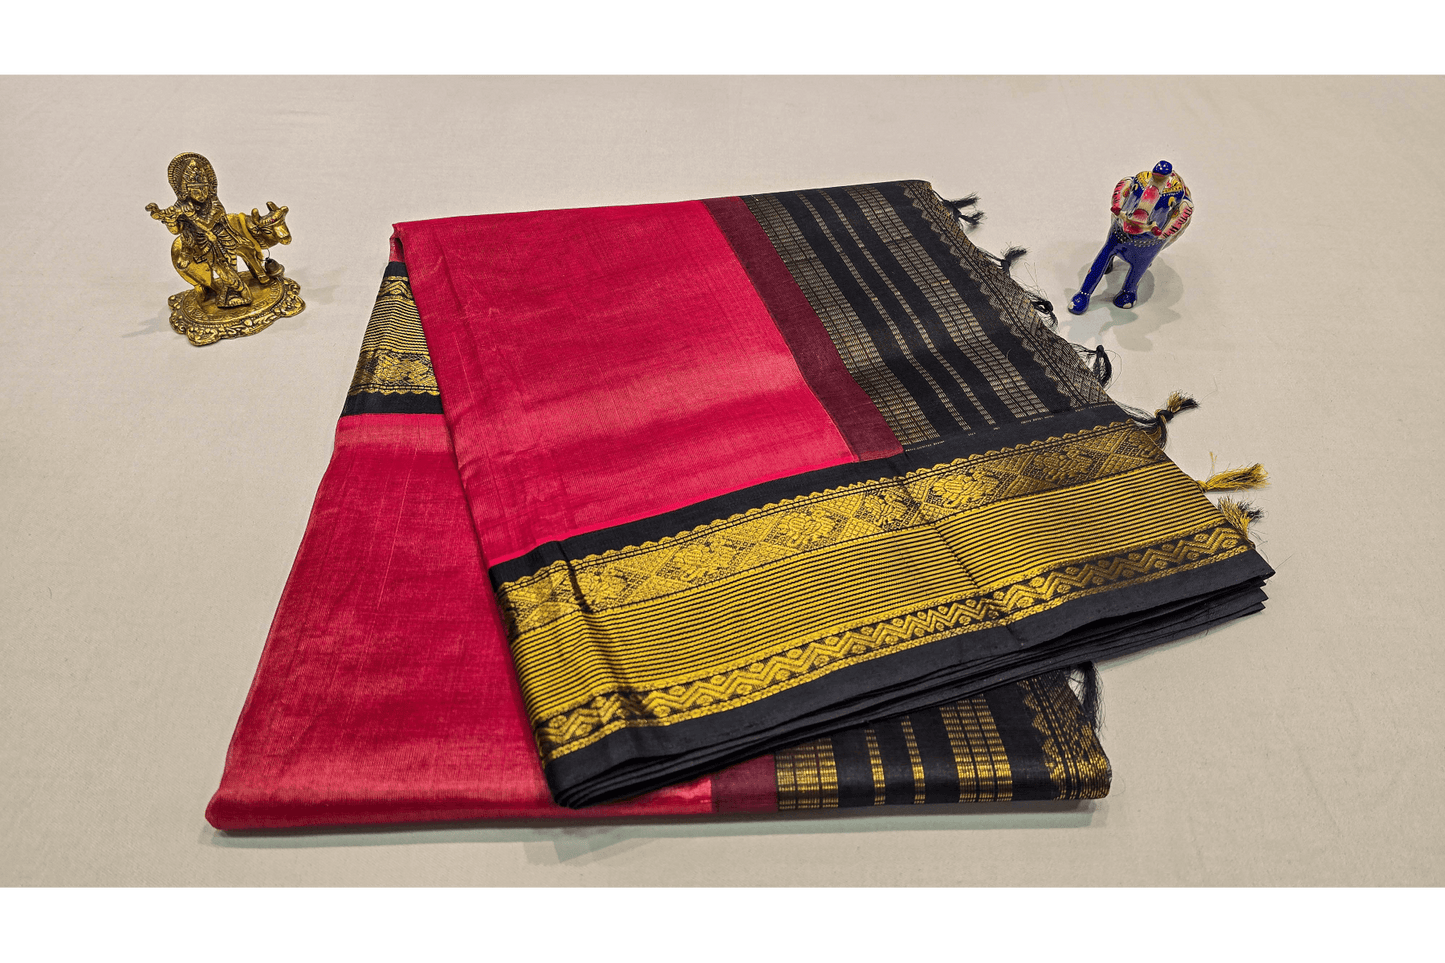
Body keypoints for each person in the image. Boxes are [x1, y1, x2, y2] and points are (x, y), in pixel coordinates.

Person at [1069, 160, 1192, 313]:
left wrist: (1163, 232)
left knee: (1140, 265)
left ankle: (1129, 291)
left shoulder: (1174, 204)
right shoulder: (1140, 182)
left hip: (1151, 240)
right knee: (1104, 255)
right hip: (1121, 228)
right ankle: (1084, 293)